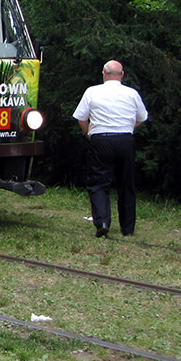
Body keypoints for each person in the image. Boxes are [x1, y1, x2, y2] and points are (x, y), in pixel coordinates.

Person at [72, 60, 149, 238]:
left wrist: (89, 134)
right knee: (126, 184)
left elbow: (81, 118)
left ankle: (103, 222)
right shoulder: (132, 93)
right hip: (125, 140)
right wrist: (126, 127)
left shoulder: (92, 91)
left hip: (100, 139)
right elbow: (141, 117)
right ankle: (127, 228)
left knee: (98, 183)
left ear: (103, 74)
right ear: (122, 75)